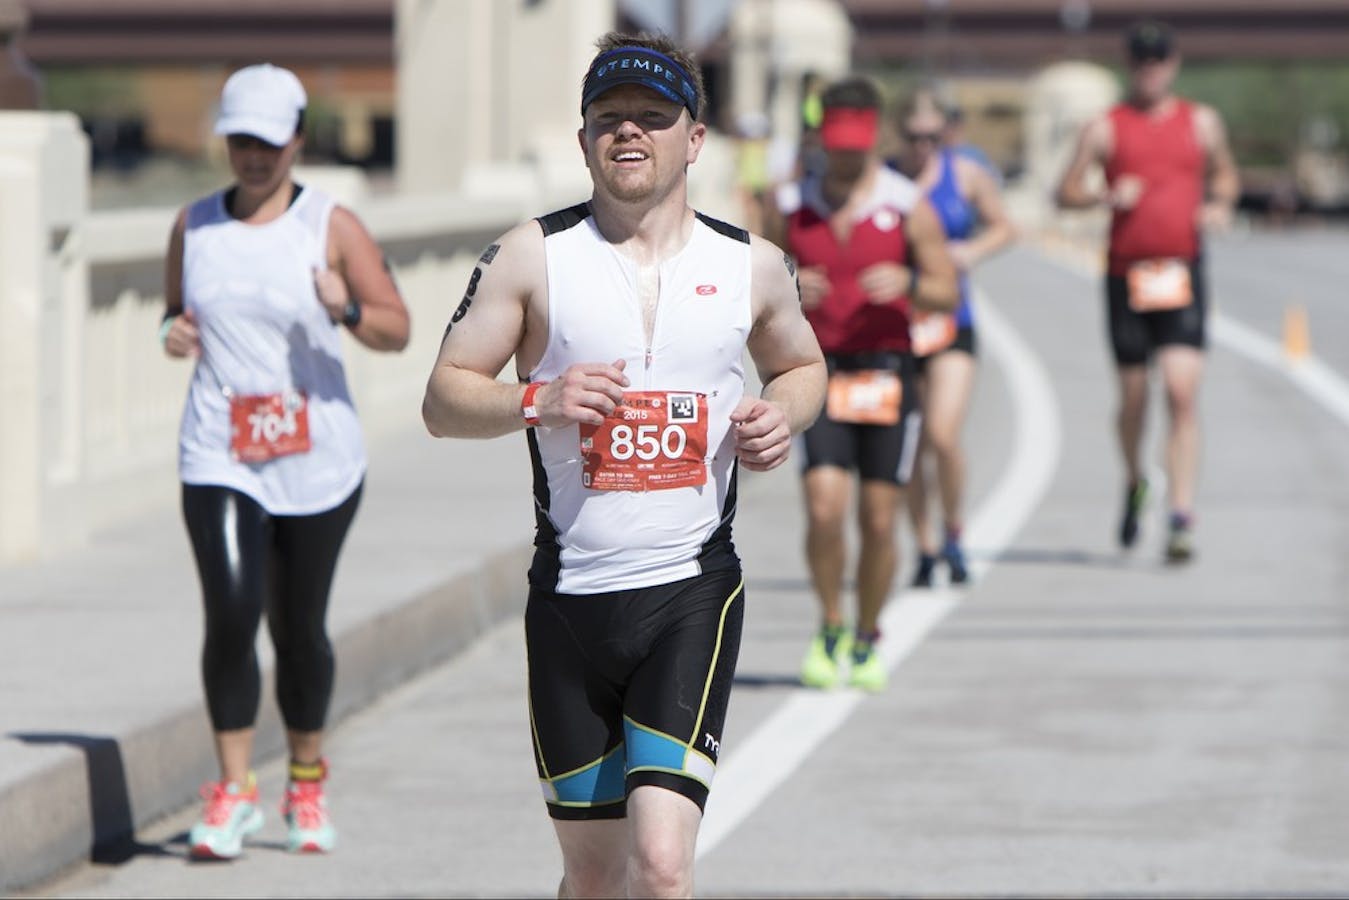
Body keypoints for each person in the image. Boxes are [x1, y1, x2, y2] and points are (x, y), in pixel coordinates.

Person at [420, 31, 825, 898]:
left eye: (652, 116)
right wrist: (541, 400)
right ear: (583, 141)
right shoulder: (531, 256)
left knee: (665, 866)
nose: (629, 133)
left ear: (695, 138)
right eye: (609, 119)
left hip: (689, 593)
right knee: (593, 878)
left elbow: (802, 366)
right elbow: (442, 401)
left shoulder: (751, 266)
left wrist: (777, 418)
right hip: (570, 604)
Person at [160, 62, 410, 859]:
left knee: (297, 628)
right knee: (231, 615)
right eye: (240, 140)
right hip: (219, 449)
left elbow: (395, 326)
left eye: (268, 142)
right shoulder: (193, 224)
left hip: (316, 459)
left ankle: (305, 779)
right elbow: (176, 312)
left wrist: (342, 303)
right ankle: (233, 792)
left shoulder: (330, 224)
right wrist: (172, 333)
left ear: (296, 139)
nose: (254, 156)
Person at [773, 75, 959, 692]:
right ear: (822, 137)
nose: (848, 157)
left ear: (874, 135)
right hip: (820, 373)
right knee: (826, 510)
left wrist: (909, 284)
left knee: (879, 521)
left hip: (887, 373)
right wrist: (793, 287)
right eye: (838, 144)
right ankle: (830, 622)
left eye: (858, 145)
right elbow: (761, 284)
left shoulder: (907, 204)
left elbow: (947, 292)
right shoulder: (792, 202)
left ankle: (869, 631)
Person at [1055, 19, 1238, 562]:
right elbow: (1064, 191)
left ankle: (1181, 513)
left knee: (1182, 392)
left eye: (1158, 59)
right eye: (1140, 60)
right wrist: (1104, 196)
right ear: (1129, 65)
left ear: (1173, 64)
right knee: (1134, 396)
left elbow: (1225, 174)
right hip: (1126, 275)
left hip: (1181, 271)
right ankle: (1136, 478)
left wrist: (1220, 204)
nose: (1150, 69)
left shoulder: (1201, 123)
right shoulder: (1105, 127)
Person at [888, 89, 1016, 587]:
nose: (922, 146)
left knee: (943, 434)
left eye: (932, 137)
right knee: (911, 443)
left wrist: (972, 252)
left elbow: (1007, 227)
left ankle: (954, 530)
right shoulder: (886, 179)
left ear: (946, 134)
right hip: (899, 324)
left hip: (951, 319)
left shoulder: (964, 175)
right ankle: (924, 543)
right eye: (913, 137)